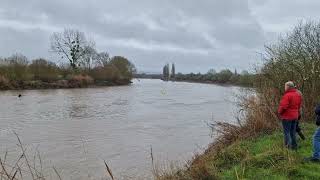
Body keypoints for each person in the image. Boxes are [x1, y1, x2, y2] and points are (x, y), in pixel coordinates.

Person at [278, 81, 302, 150]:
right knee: (293, 132)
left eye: (285, 86)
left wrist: (279, 112)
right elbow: (299, 106)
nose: (284, 88)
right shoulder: (298, 94)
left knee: (287, 132)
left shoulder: (287, 95)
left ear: (288, 87)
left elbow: (283, 106)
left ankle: (288, 148)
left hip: (287, 117)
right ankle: (294, 147)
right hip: (295, 116)